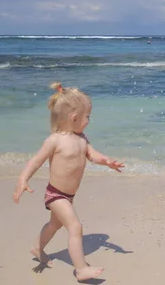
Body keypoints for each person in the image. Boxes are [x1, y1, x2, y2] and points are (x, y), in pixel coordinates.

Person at [13, 82, 125, 281]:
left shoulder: (82, 139)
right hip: (55, 194)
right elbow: (35, 161)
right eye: (87, 116)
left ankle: (37, 247)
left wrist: (107, 161)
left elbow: (93, 155)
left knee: (54, 226)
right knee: (75, 227)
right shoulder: (54, 141)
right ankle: (80, 270)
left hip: (68, 196)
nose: (89, 120)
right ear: (74, 118)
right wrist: (23, 179)